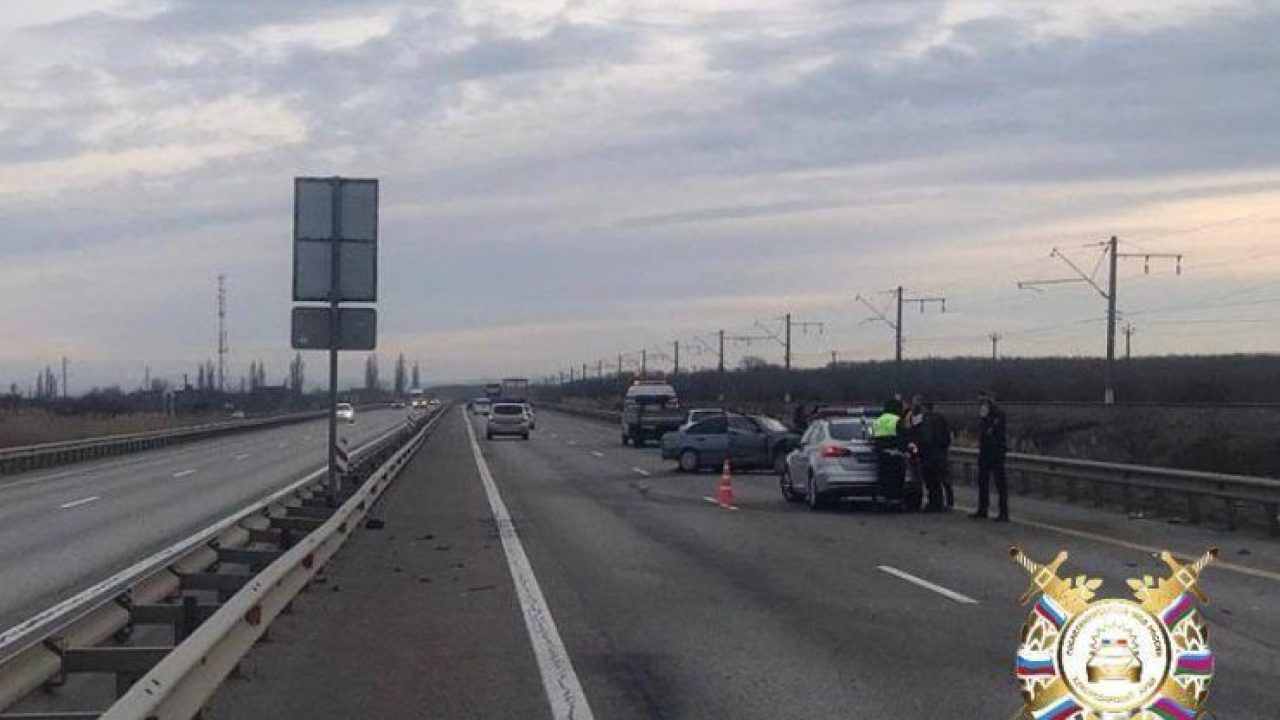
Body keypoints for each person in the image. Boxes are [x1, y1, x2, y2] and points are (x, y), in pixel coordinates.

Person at [971, 391, 1009, 522]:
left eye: (984, 402)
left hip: (996, 452)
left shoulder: (998, 415)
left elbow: (992, 432)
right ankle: (982, 509)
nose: (982, 405)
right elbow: (984, 432)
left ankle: (1003, 512)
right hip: (985, 451)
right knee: (982, 481)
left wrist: (987, 426)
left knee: (1000, 483)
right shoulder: (984, 416)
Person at [909, 397, 952, 512]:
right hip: (940, 452)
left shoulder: (925, 420)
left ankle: (935, 503)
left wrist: (919, 450)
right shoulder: (941, 418)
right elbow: (947, 436)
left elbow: (924, 437)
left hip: (929, 454)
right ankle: (947, 503)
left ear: (924, 408)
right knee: (943, 479)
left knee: (931, 480)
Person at [872, 397, 907, 503]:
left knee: (883, 475)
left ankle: (882, 496)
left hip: (881, 452)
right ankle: (895, 498)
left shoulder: (878, 420)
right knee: (897, 477)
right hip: (895, 452)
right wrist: (904, 450)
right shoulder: (897, 419)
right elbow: (903, 436)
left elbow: (874, 435)